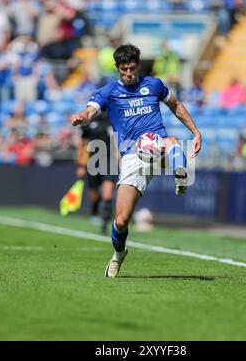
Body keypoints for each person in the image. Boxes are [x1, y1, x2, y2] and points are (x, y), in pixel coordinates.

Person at [71, 44, 202, 278]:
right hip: (132, 156)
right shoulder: (109, 91)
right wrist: (83, 115)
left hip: (157, 145)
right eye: (124, 70)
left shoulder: (154, 85)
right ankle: (119, 253)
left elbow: (176, 106)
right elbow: (91, 109)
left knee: (171, 140)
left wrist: (195, 131)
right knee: (121, 220)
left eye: (132, 68)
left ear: (139, 65)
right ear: (117, 69)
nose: (129, 74)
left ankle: (179, 174)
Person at [76, 112, 118, 234]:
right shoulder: (88, 122)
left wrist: (120, 158)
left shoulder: (114, 119)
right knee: (93, 193)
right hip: (93, 160)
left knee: (108, 191)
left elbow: (118, 140)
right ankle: (95, 211)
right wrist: (80, 164)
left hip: (109, 160)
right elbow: (82, 144)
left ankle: (105, 222)